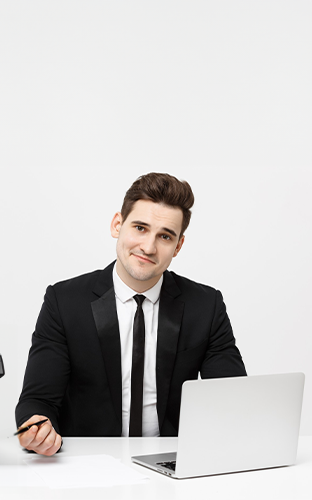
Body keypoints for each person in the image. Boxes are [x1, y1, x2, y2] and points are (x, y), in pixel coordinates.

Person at [15, 172, 246, 456]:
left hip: (172, 462)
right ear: (117, 225)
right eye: (140, 228)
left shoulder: (206, 305)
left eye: (165, 236)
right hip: (87, 464)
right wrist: (35, 430)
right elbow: (36, 401)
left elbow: (233, 403)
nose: (148, 247)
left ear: (178, 246)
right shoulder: (64, 301)